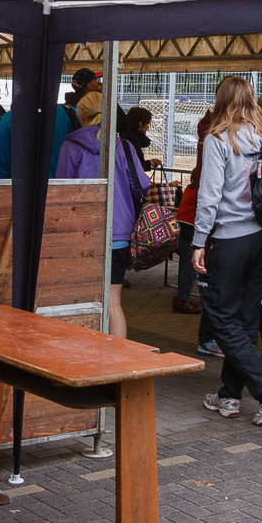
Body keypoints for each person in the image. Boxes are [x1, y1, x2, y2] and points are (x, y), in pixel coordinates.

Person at [195, 76, 262, 426]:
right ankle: (230, 395)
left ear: (220, 100)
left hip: (230, 237)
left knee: (221, 317)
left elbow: (209, 195)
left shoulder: (218, 139)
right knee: (245, 317)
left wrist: (198, 241)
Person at [58, 92, 150, 339]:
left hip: (82, 235)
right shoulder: (125, 146)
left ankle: (84, 361)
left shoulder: (71, 146)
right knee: (112, 303)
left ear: (82, 116)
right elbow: (142, 185)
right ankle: (116, 364)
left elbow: (61, 192)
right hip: (119, 234)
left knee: (81, 300)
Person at [174, 108, 212, 319]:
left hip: (186, 222)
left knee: (186, 264)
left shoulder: (192, 188)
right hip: (190, 223)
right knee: (190, 265)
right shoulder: (198, 189)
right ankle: (181, 299)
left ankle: (183, 297)